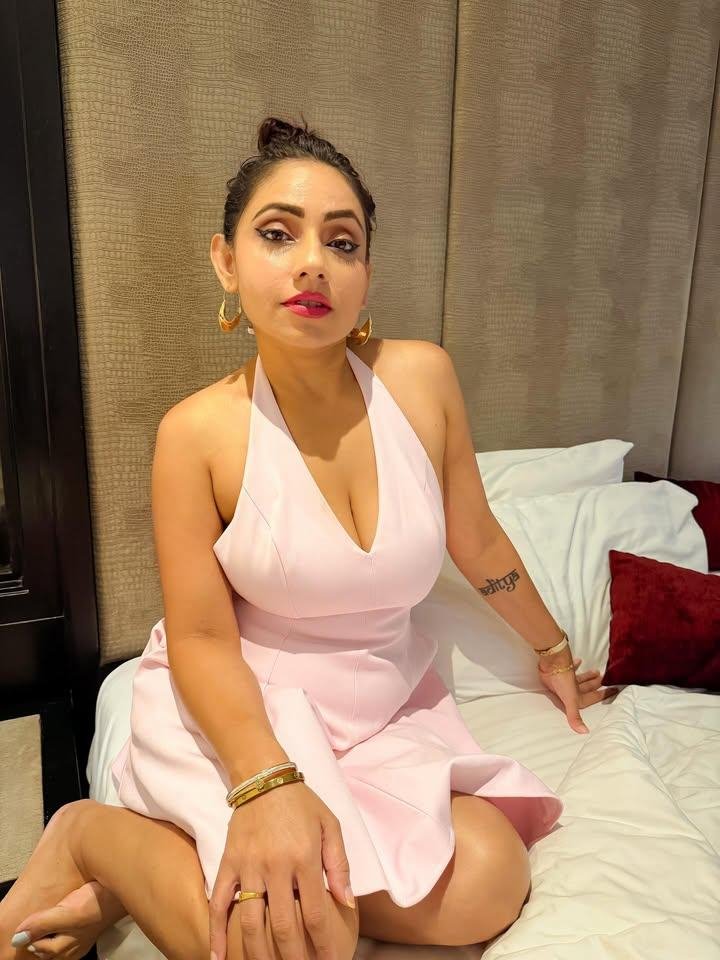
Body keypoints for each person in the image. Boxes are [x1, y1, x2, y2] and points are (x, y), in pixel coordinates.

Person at [1, 115, 615, 960]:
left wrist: (552, 649)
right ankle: (88, 835)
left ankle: (153, 871)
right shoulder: (196, 434)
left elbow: (475, 536)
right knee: (302, 942)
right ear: (226, 261)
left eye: (343, 241)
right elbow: (202, 637)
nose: (313, 262)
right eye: (278, 233)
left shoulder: (423, 379)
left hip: (378, 713)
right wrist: (266, 782)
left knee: (490, 878)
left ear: (366, 275)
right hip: (244, 707)